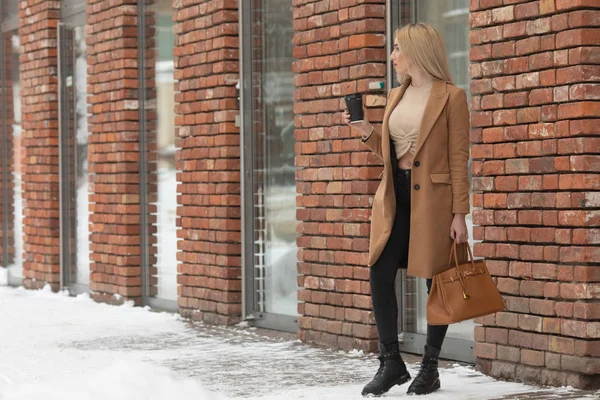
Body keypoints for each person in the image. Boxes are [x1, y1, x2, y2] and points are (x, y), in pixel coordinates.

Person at [343, 23, 471, 396]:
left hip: (435, 201)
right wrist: (366, 130)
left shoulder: (451, 97)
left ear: (415, 52)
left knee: (437, 282)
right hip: (395, 197)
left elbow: (458, 158)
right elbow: (392, 154)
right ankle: (391, 362)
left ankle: (430, 366)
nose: (393, 55)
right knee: (380, 273)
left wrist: (459, 213)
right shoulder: (397, 96)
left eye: (397, 48)